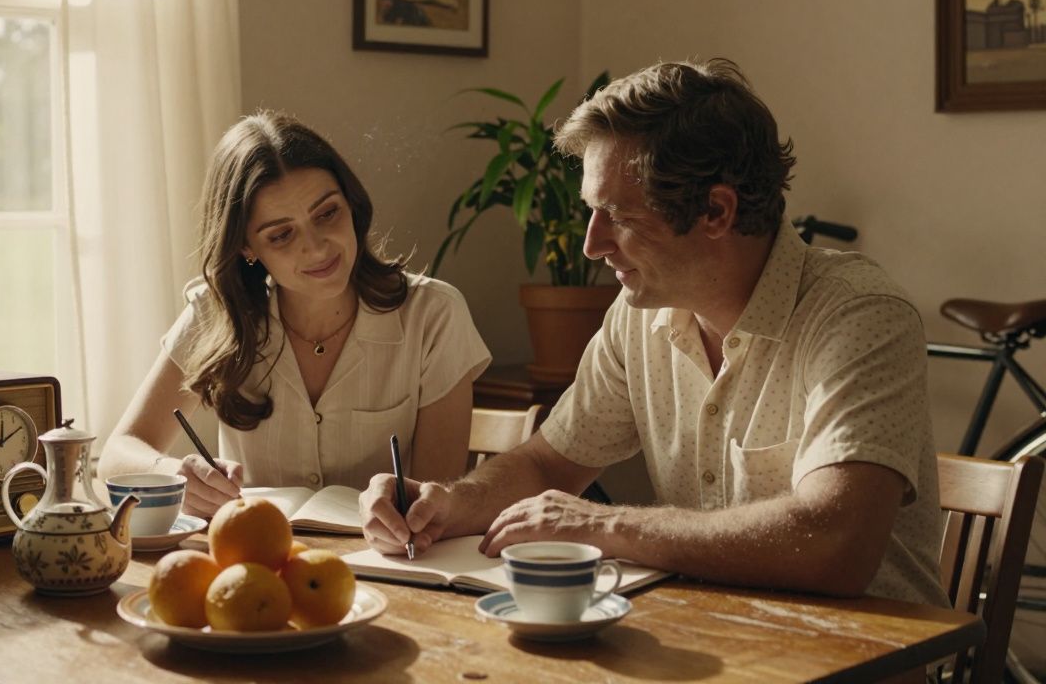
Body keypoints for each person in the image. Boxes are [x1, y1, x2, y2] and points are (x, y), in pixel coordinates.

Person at [360, 58, 946, 606]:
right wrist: (448, 502)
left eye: (618, 216)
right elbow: (548, 464)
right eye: (592, 212)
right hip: (718, 637)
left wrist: (607, 524)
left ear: (716, 211)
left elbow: (835, 545)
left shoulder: (860, 316)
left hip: (868, 652)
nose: (592, 245)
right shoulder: (638, 314)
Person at [99, 112, 491, 519]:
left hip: (386, 554)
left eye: (327, 213)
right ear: (247, 248)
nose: (317, 247)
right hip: (252, 551)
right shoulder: (215, 314)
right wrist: (174, 474)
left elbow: (432, 507)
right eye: (282, 235)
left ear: (351, 204)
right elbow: (116, 454)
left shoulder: (433, 315)